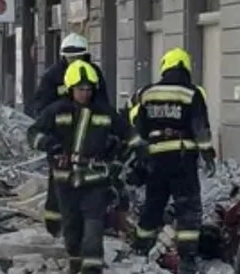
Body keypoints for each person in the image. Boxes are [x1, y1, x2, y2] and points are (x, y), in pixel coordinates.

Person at [27, 61, 130, 274]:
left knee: (93, 231)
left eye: (89, 89)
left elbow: (131, 137)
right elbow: (33, 134)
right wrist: (50, 146)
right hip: (65, 182)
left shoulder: (105, 113)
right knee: (72, 231)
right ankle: (75, 264)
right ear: (70, 89)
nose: (85, 94)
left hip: (95, 181)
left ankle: (92, 269)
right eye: (80, 89)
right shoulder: (55, 111)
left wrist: (119, 163)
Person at [130, 48, 215, 274]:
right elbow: (200, 128)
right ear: (185, 67)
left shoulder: (148, 94)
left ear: (165, 67)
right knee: (187, 208)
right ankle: (187, 259)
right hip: (182, 160)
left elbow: (138, 129)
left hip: (155, 160)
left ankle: (140, 248)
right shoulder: (192, 93)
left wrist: (139, 159)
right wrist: (208, 154)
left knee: (153, 205)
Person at [33, 33, 111, 235]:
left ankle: (85, 225)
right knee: (58, 180)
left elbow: (103, 104)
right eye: (70, 57)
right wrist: (51, 129)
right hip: (61, 135)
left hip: (89, 134)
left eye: (77, 57)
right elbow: (41, 106)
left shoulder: (94, 74)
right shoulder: (52, 76)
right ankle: (54, 225)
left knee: (91, 182)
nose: (73, 61)